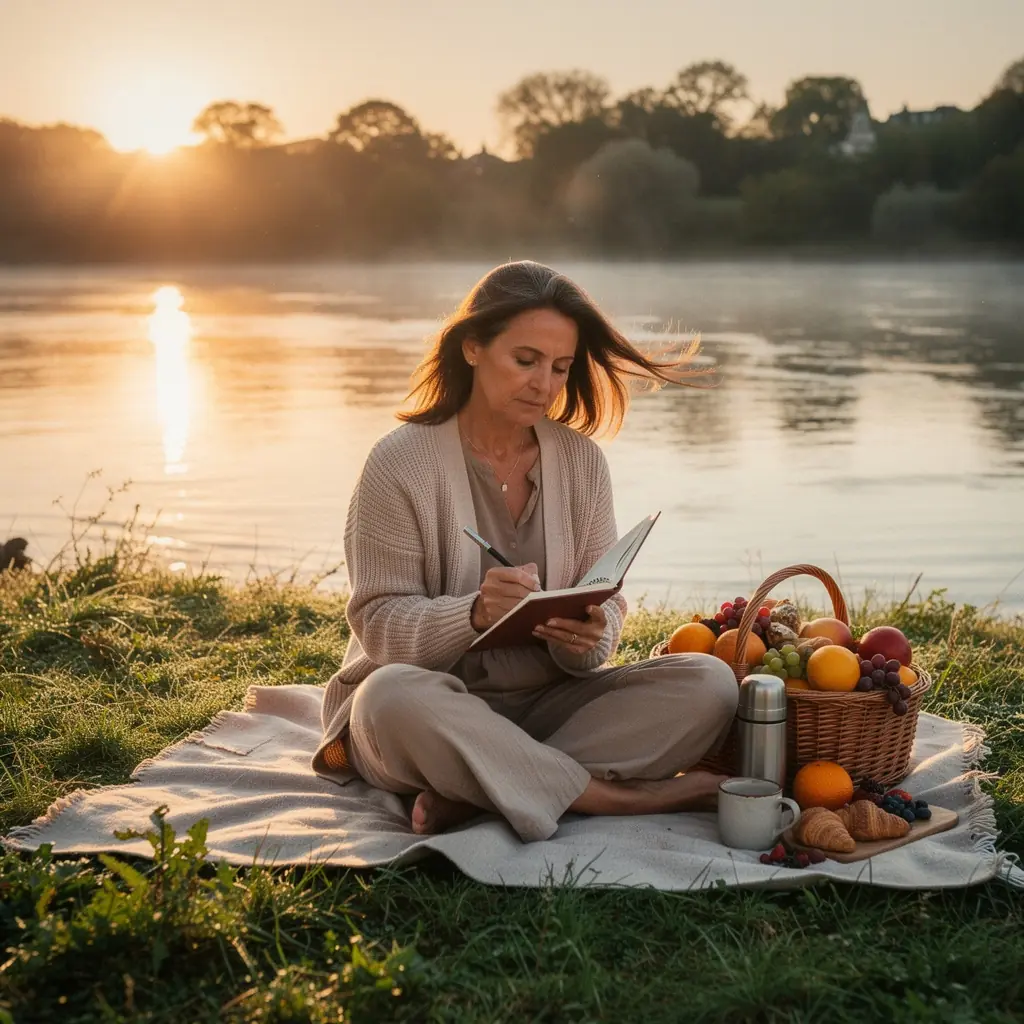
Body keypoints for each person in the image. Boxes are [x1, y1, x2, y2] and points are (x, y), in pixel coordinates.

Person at [312, 261, 738, 842]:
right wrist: (472, 614)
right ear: (472, 348)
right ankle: (611, 799)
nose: (546, 385)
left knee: (710, 684)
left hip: (550, 705)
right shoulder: (398, 463)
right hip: (436, 709)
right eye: (526, 360)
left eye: (561, 368)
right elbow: (378, 622)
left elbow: (608, 604)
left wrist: (592, 635)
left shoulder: (582, 462)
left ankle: (479, 792)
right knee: (386, 698)